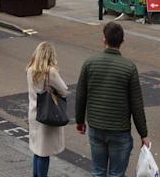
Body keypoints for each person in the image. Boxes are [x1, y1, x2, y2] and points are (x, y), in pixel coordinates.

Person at [75, 22, 149, 177]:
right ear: (123, 41)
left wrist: (80, 121)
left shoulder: (89, 63)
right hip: (119, 130)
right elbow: (136, 104)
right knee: (116, 174)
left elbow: (81, 95)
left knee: (98, 171)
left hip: (96, 126)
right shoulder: (129, 68)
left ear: (104, 40)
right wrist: (143, 134)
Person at [26, 42, 69, 177]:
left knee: (37, 151)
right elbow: (64, 90)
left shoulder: (30, 69)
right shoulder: (50, 72)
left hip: (34, 113)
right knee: (44, 153)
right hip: (46, 113)